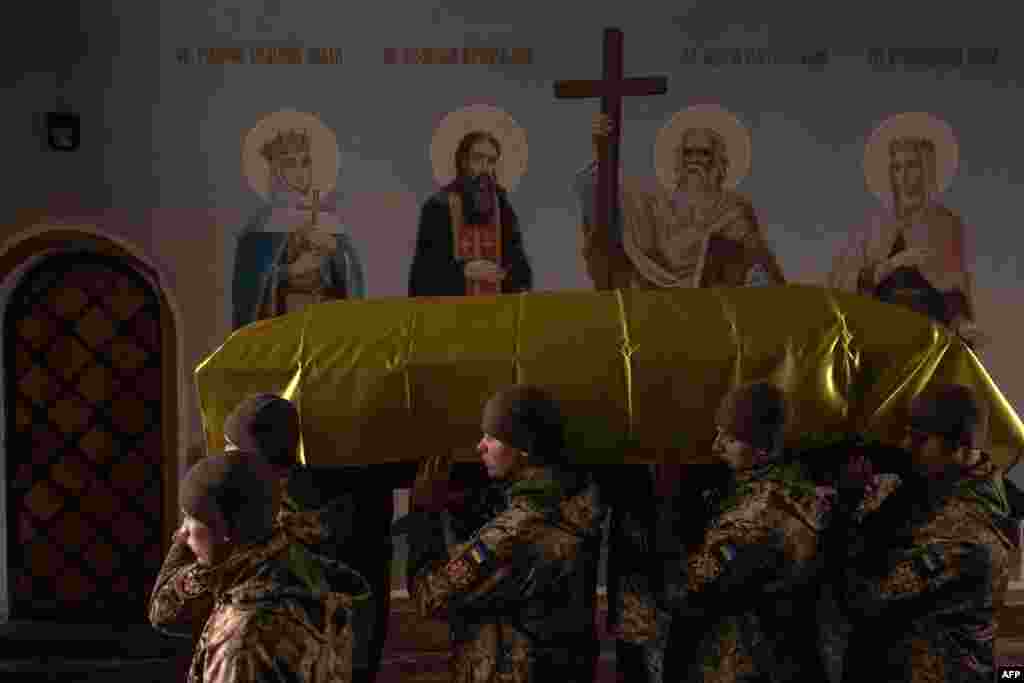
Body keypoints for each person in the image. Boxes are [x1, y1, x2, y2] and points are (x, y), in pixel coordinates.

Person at [619, 382, 830, 682]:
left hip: (740, 662)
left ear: (761, 447)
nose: (715, 446)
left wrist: (665, 510)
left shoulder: (757, 513)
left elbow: (684, 587)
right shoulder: (790, 486)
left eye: (730, 439)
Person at [396, 384, 606, 681]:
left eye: (491, 437)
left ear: (522, 449)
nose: (479, 447)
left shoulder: (515, 533)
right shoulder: (572, 503)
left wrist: (423, 515)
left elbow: (430, 595)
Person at [834, 384, 1018, 682]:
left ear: (962, 446)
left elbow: (866, 599)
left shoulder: (965, 533)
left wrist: (844, 516)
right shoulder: (935, 489)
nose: (907, 445)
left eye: (920, 438)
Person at [152, 451, 372, 682]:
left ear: (223, 530)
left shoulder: (241, 638)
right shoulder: (305, 569)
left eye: (190, 518)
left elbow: (162, 611)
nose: (181, 532)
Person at [572, 107, 785, 291]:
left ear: (717, 160)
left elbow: (757, 256)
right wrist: (603, 153)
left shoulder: (732, 206)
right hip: (659, 300)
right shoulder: (659, 205)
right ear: (679, 158)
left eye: (703, 153)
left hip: (716, 303)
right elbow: (615, 213)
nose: (694, 160)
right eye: (688, 153)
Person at [828, 113, 981, 345]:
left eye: (912, 165)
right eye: (898, 167)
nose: (904, 175)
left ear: (926, 169)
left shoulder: (944, 222)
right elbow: (844, 278)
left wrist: (960, 322)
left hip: (929, 325)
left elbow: (954, 285)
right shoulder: (874, 224)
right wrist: (891, 265)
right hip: (879, 321)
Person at [233, 124, 365, 329]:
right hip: (282, 327)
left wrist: (336, 251)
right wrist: (291, 272)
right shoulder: (262, 226)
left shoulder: (330, 223)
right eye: (290, 164)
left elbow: (351, 285)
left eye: (305, 162)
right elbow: (249, 296)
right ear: (276, 169)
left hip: (324, 324)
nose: (300, 171)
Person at [409, 130, 532, 297]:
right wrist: (465, 270)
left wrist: (505, 275)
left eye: (491, 161)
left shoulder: (504, 210)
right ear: (463, 162)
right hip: (450, 314)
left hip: (497, 313)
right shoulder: (438, 207)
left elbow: (520, 271)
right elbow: (424, 276)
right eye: (478, 158)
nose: (485, 168)